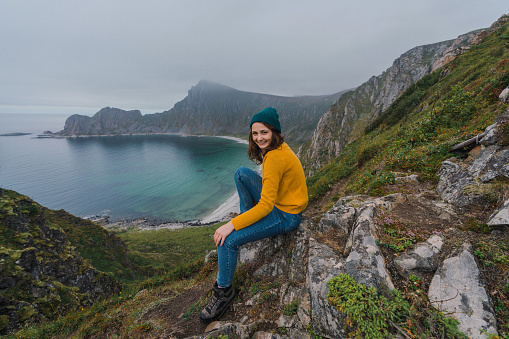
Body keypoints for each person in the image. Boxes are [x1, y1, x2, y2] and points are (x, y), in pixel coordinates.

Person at [199, 107, 308, 324]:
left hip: (286, 215)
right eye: (255, 133)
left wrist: (233, 224)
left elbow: (266, 205)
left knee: (227, 240)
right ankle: (249, 223)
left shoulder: (275, 158)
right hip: (283, 204)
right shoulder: (280, 149)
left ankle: (224, 292)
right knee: (241, 173)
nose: (259, 138)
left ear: (274, 132)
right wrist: (245, 220)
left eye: (264, 133)